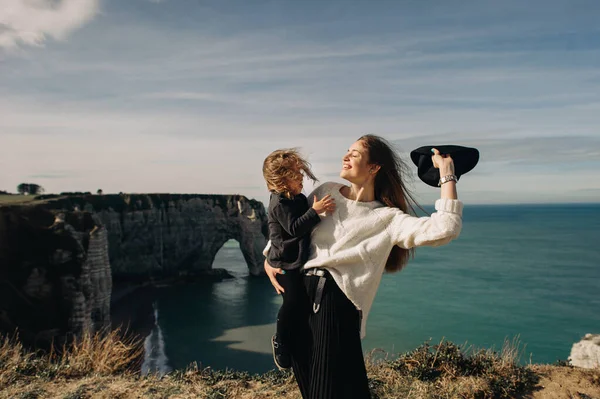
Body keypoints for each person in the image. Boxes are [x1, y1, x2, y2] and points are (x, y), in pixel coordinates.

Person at [263, 135, 463, 399]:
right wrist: (268, 260)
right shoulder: (326, 191)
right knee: (312, 391)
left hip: (335, 304)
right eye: (347, 151)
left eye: (355, 154)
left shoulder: (386, 218)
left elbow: (445, 229)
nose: (345, 156)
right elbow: (289, 228)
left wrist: (447, 175)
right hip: (299, 299)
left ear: (374, 167)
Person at [262, 149, 336, 370]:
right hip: (285, 264)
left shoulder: (297, 198)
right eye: (296, 174)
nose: (302, 177)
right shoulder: (280, 203)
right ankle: (281, 340)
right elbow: (294, 228)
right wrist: (316, 211)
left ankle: (297, 341)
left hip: (296, 261)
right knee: (292, 303)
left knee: (300, 305)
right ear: (282, 179)